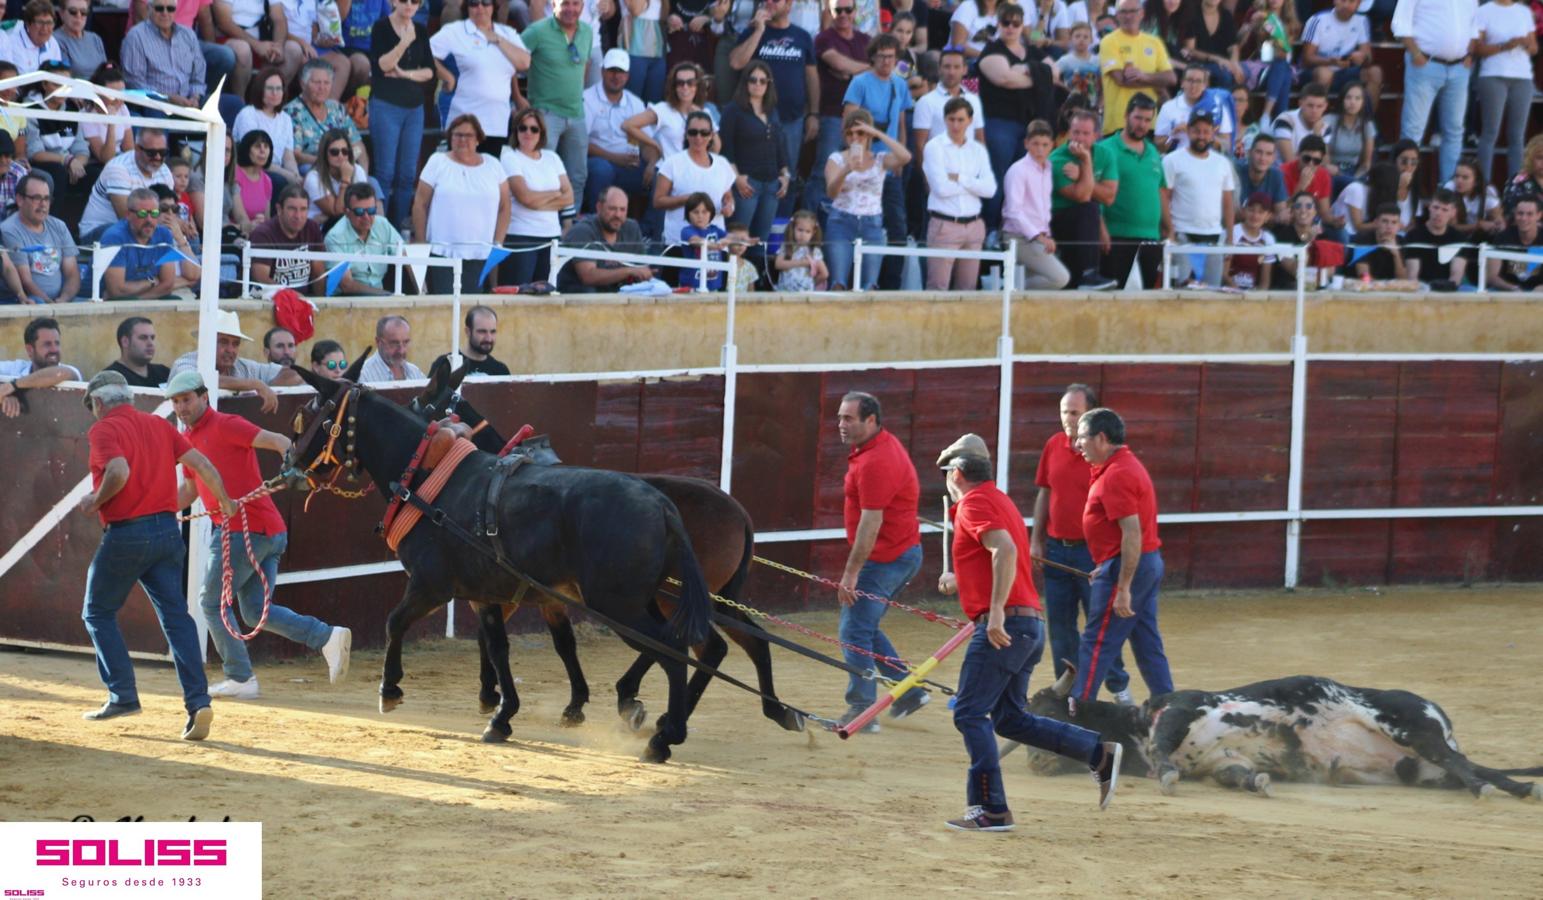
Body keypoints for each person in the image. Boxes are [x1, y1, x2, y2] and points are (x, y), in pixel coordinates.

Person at [936, 440, 1121, 831]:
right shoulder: (998, 500)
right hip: (1028, 624)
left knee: (970, 712)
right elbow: (999, 555)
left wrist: (997, 613)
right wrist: (962, 578)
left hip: (1004, 627)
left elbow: (1003, 549)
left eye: (946, 476)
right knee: (1009, 718)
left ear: (956, 474)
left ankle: (992, 809)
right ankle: (1096, 752)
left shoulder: (972, 504)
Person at [165, 370, 351, 701]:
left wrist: (293, 465)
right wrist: (159, 507)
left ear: (204, 397)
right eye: (176, 402)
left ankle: (239, 677)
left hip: (243, 531)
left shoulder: (225, 424)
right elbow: (192, 488)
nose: (181, 407)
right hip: (266, 530)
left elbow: (278, 440)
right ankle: (327, 637)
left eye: (187, 400)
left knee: (210, 603)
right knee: (253, 612)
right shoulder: (188, 439)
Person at [77, 369, 230, 741]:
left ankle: (123, 695)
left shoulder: (103, 430)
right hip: (167, 531)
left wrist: (94, 501)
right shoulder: (160, 426)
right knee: (177, 618)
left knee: (96, 611)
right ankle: (198, 702)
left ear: (99, 403)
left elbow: (119, 469)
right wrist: (225, 501)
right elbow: (203, 466)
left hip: (128, 533)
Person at [1028, 385, 1131, 700]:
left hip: (1093, 553)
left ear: (1090, 414)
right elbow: (1045, 492)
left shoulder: (1101, 453)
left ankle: (1119, 690)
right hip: (1057, 550)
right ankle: (1067, 692)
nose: (1067, 419)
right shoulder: (1053, 445)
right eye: (1063, 412)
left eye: (1073, 412)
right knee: (1061, 629)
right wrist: (1036, 539)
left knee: (1100, 628)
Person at [833, 390, 927, 731]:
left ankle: (862, 710)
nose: (841, 425)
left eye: (849, 418)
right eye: (840, 417)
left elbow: (871, 523)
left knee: (853, 628)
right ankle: (909, 692)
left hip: (887, 558)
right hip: (897, 552)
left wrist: (851, 573)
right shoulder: (873, 449)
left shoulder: (876, 461)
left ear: (871, 420)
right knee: (864, 625)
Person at [1072, 406, 1172, 703]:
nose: (1078, 445)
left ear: (1101, 438)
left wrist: (1123, 585)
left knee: (1097, 641)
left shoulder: (1117, 474)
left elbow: (1132, 533)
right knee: (1145, 640)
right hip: (1135, 563)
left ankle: (1079, 709)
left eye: (1082, 438)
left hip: (1128, 566)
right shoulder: (1120, 467)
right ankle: (1166, 706)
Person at [413, 115, 511, 295]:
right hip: (443, 253)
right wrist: (421, 243)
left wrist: (498, 243)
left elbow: (505, 206)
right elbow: (420, 203)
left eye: (468, 135)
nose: (462, 140)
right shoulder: (437, 161)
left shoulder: (493, 165)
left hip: (480, 254)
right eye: (457, 135)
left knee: (474, 310)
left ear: (478, 139)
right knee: (444, 308)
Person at [843, 33, 913, 282]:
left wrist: (901, 156)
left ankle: (891, 283)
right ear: (872, 57)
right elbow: (849, 124)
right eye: (881, 56)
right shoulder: (860, 82)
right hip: (864, 163)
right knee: (857, 222)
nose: (886, 61)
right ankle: (853, 280)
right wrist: (855, 161)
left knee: (897, 225)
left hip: (889, 163)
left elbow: (901, 122)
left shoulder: (900, 84)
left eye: (891, 57)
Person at [728, 0, 818, 187]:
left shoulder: (802, 37)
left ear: (789, 5)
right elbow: (736, 63)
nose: (769, 3)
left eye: (776, 0)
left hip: (791, 119)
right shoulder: (751, 32)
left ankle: (784, 217)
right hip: (755, 120)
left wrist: (813, 114)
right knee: (754, 177)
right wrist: (759, 31)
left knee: (788, 176)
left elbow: (812, 78)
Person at [1392, 0, 1477, 185]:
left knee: (1454, 131)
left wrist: (1469, 55)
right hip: (1425, 64)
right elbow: (1399, 23)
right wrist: (1415, 54)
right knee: (1413, 130)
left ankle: (1449, 190)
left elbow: (1474, 26)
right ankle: (1405, 188)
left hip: (1459, 67)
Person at [823, 109, 907, 291]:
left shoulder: (880, 159)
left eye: (860, 133)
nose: (855, 138)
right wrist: (847, 169)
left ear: (868, 135)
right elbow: (831, 192)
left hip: (872, 224)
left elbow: (905, 157)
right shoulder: (836, 159)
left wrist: (877, 133)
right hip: (841, 222)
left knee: (870, 285)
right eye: (850, 133)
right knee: (838, 283)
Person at [522, 0, 592, 217]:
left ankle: (568, 229)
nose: (571, 9)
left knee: (577, 176)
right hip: (545, 114)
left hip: (577, 114)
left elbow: (584, 66)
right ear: (553, 4)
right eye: (565, 3)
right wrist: (519, 100)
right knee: (541, 174)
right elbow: (509, 63)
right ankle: (543, 224)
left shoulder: (587, 31)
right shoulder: (536, 31)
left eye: (576, 3)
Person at [432, 0, 529, 156]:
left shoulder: (507, 33)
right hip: (463, 121)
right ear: (466, 7)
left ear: (494, 7)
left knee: (489, 177)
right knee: (461, 174)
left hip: (497, 122)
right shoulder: (454, 31)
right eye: (474, 3)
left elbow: (524, 62)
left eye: (486, 3)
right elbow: (426, 54)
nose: (480, 7)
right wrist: (446, 76)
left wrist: (497, 39)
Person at [922, 97, 994, 291]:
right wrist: (973, 183)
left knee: (968, 290)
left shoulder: (977, 149)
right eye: (951, 119)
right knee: (937, 288)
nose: (955, 124)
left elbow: (990, 189)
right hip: (945, 224)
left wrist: (961, 178)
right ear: (945, 119)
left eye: (960, 120)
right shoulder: (934, 147)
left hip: (974, 225)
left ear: (970, 120)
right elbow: (941, 189)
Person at [805, 0, 871, 213]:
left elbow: (853, 69)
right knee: (823, 169)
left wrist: (853, 71)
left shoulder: (866, 40)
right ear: (830, 13)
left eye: (847, 9)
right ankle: (810, 222)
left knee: (859, 170)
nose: (843, 14)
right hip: (832, 114)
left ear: (855, 12)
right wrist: (868, 69)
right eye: (837, 10)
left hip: (863, 119)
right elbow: (841, 65)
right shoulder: (824, 38)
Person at [170, 309, 301, 412]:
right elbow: (200, 379)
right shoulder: (186, 362)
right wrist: (256, 385)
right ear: (206, 342)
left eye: (235, 344)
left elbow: (292, 374)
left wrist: (263, 393)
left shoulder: (242, 366)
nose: (230, 350)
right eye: (223, 342)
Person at [1098, 94, 1167, 289]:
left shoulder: (1153, 151)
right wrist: (1101, 229)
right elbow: (1093, 194)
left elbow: (1160, 190)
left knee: (1146, 300)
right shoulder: (1105, 149)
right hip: (1116, 236)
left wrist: (1168, 228)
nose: (1142, 125)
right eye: (1138, 118)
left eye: (1147, 120)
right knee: (1110, 297)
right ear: (1126, 115)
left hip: (1151, 238)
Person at [977, 5, 1037, 230]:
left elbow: (1055, 72)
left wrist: (1024, 71)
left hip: (1028, 126)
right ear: (998, 24)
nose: (1011, 27)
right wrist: (1037, 76)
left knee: (1023, 185)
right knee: (998, 181)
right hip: (999, 124)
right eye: (1005, 23)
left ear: (1023, 26)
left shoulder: (1032, 51)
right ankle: (990, 231)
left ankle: (1015, 235)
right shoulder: (992, 49)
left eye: (1016, 23)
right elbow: (1004, 78)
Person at [720, 60, 791, 246]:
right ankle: (733, 276)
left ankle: (757, 276)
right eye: (753, 80)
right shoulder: (733, 110)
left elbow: (780, 147)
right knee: (738, 241)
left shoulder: (773, 111)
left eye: (763, 80)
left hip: (772, 185)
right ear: (745, 82)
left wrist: (785, 175)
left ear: (769, 84)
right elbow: (726, 149)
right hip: (746, 184)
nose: (758, 84)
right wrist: (736, 178)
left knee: (761, 241)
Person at [501, 107, 573, 287]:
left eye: (534, 129)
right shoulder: (510, 157)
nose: (528, 133)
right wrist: (556, 195)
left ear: (541, 133)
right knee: (519, 295)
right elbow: (525, 198)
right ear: (515, 130)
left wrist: (537, 200)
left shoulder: (552, 157)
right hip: (521, 236)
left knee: (548, 297)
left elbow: (569, 197)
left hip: (551, 237)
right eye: (522, 128)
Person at [1162, 110, 1235, 287]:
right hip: (1182, 236)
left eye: (1206, 131)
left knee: (1213, 294)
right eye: (1196, 131)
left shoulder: (1223, 163)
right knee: (1181, 292)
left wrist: (1230, 238)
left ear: (1213, 133)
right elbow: (1164, 197)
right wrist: (1169, 230)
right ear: (1188, 131)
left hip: (1214, 237)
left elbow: (1227, 202)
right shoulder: (1172, 160)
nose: (1201, 136)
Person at [1048, 108, 1117, 290]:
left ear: (1096, 135)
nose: (1079, 138)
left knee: (1096, 221)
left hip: (1086, 221)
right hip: (1057, 220)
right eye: (1075, 132)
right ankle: (1089, 275)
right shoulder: (1057, 158)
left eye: (1085, 133)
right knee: (1088, 210)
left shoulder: (1105, 154)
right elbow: (1082, 196)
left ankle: (1093, 278)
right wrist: (1086, 161)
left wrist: (1081, 175)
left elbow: (1109, 197)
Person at [1472, 0, 1535, 184]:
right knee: (1490, 132)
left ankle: (1517, 185)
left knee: (1517, 135)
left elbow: (1534, 48)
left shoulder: (1524, 12)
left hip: (1522, 76)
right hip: (1493, 74)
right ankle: (1483, 185)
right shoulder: (1484, 11)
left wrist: (1524, 43)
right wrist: (1504, 46)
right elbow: (1477, 48)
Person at [1001, 119, 1069, 290]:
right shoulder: (1018, 170)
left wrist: (1045, 236)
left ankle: (1014, 291)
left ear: (1052, 145)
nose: (1040, 149)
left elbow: (1043, 209)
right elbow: (1012, 211)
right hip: (1018, 238)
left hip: (1039, 237)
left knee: (1047, 282)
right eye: (1035, 144)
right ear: (1026, 144)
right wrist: (1039, 237)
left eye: (1045, 145)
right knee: (1060, 278)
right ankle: (1008, 290)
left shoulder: (1048, 168)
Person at [654, 110, 738, 244]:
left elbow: (727, 195)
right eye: (693, 132)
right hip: (680, 242)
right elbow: (658, 201)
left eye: (704, 133)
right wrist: (686, 199)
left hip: (714, 243)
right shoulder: (672, 163)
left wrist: (729, 206)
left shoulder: (722, 164)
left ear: (711, 135)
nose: (698, 137)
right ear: (686, 134)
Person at [99, 188, 198, 300]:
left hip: (133, 298)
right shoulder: (115, 237)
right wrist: (153, 281)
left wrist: (138, 299)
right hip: (94, 301)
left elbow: (167, 285)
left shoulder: (163, 234)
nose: (149, 220)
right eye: (142, 213)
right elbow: (117, 290)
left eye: (154, 213)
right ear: (128, 214)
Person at [79, 127, 173, 243]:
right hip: (99, 231)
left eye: (163, 152)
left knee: (183, 234)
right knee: (128, 231)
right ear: (137, 149)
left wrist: (178, 224)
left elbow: (167, 210)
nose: (158, 157)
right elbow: (127, 217)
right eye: (152, 153)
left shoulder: (164, 171)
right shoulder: (118, 168)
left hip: (145, 227)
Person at [584, 50, 648, 214]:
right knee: (602, 170)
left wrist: (652, 163)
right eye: (612, 70)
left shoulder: (636, 103)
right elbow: (581, 143)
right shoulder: (587, 98)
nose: (616, 76)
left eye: (621, 72)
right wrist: (615, 158)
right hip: (597, 161)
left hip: (628, 163)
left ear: (627, 76)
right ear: (602, 71)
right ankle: (594, 224)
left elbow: (647, 140)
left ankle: (649, 232)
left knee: (659, 175)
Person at [1, 172, 80, 304]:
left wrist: (63, 300)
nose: (43, 204)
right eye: (37, 198)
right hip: (32, 301)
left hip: (60, 300)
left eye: (47, 199)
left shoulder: (59, 226)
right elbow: (25, 281)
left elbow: (72, 273)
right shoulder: (9, 229)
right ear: (20, 200)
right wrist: (50, 304)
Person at [557, 186, 654, 293]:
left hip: (617, 294)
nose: (618, 215)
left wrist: (644, 274)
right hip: (579, 297)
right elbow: (588, 276)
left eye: (622, 209)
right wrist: (629, 271)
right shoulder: (583, 231)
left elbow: (642, 267)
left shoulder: (632, 227)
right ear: (599, 207)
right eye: (612, 209)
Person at [1098, 0, 1174, 136]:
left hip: (1149, 123)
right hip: (1119, 123)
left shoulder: (1154, 42)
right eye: (1123, 12)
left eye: (1133, 11)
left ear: (1142, 14)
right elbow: (1121, 80)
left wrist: (1144, 76)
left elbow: (1171, 78)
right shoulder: (1109, 41)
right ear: (1117, 15)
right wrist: (1156, 80)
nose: (1128, 16)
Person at [284, 59, 367, 172]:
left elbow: (358, 147)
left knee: (372, 182)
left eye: (326, 83)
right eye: (317, 82)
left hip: (342, 167)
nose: (322, 88)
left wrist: (363, 178)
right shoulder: (292, 112)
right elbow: (297, 155)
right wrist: (329, 163)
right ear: (303, 84)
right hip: (313, 167)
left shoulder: (337, 109)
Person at [121, 0, 208, 108]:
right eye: (159, 8)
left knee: (228, 103)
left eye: (170, 9)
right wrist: (168, 98)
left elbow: (198, 77)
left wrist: (195, 97)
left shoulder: (188, 35)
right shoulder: (136, 37)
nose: (165, 13)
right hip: (156, 105)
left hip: (189, 102)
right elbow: (135, 84)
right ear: (149, 9)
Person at [324, 183, 404, 294]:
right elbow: (347, 285)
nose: (366, 217)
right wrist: (385, 295)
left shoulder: (382, 224)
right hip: (346, 300)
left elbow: (405, 254)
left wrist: (422, 291)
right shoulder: (335, 237)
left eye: (371, 211)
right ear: (347, 212)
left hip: (380, 297)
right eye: (359, 212)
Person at [1299, 0, 1381, 104]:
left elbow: (1368, 57)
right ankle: (1319, 117)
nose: (1346, 5)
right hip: (1316, 71)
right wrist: (1331, 62)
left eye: (1351, 1)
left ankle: (1366, 118)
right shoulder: (1318, 20)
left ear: (1358, 4)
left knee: (1375, 72)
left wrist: (1362, 57)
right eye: (1342, 1)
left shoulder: (1362, 21)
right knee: (1325, 74)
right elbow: (1306, 59)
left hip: (1345, 71)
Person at [911, 47, 984, 164]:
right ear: (939, 69)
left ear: (964, 70)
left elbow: (979, 139)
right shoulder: (926, 102)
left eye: (956, 67)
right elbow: (920, 145)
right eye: (947, 66)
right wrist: (927, 178)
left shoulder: (974, 100)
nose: (951, 72)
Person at [234, 68, 302, 190]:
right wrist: (286, 175)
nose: (275, 93)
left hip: (278, 170)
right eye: (270, 89)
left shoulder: (285, 118)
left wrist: (295, 175)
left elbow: (288, 156)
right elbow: (255, 157)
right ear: (260, 90)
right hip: (254, 168)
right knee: (279, 181)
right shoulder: (248, 114)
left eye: (279, 89)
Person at [250, 183, 324, 290]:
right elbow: (261, 278)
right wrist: (294, 298)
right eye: (292, 209)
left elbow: (318, 273)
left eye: (303, 209)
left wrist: (320, 304)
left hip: (304, 300)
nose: (298, 216)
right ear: (279, 209)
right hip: (269, 302)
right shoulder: (263, 234)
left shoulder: (312, 228)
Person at [1154, 65, 1232, 154]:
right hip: (1178, 161)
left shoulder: (1217, 106)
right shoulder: (1168, 107)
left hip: (1208, 162)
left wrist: (1207, 135)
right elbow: (1158, 147)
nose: (1193, 85)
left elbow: (1227, 146)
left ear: (1205, 85)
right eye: (1189, 80)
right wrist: (1173, 133)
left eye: (1198, 81)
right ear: (1182, 83)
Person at [304, 128, 370, 225]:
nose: (340, 156)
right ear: (324, 153)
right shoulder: (313, 177)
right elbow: (337, 213)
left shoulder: (357, 170)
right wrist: (346, 180)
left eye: (344, 151)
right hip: (321, 229)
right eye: (334, 152)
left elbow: (363, 206)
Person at [1403, 189, 1466, 287]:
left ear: (1453, 213)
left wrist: (1446, 289)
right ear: (1429, 207)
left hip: (1447, 289)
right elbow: (1412, 275)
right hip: (1421, 289)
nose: (1438, 213)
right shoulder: (1413, 236)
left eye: (1445, 210)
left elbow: (1456, 274)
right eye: (1436, 207)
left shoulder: (1459, 238)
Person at [1322, 80, 1374, 193]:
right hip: (1333, 171)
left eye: (1357, 98)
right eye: (1348, 98)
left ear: (1363, 102)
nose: (1352, 102)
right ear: (1342, 100)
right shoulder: (1328, 121)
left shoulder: (1367, 125)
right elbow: (1325, 159)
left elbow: (1366, 164)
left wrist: (1355, 179)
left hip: (1355, 172)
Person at [1485, 195, 1543, 292]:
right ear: (1515, 214)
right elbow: (1491, 276)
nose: (1524, 218)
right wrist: (1513, 288)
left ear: (1539, 215)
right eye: (1520, 213)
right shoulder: (1503, 237)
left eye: (1529, 214)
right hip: (1507, 290)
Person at [431, 305, 511, 375]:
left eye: (493, 332)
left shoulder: (501, 371)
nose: (488, 338)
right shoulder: (445, 365)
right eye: (482, 332)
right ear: (468, 332)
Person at [1225, 191, 1277, 290]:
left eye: (1261, 212)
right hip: (1229, 292)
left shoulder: (1268, 240)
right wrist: (1240, 293)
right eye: (1251, 210)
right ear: (1244, 211)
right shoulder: (1233, 233)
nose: (1255, 215)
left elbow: (1265, 281)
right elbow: (1223, 274)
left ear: (1268, 216)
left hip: (1253, 295)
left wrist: (1257, 297)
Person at [1270, 81, 1328, 164]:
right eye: (1310, 105)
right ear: (1300, 103)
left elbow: (1324, 163)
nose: (1314, 111)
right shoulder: (1285, 120)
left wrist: (1318, 134)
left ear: (1325, 106)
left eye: (1319, 106)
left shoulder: (1325, 126)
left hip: (1309, 172)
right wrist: (1316, 137)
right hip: (1281, 172)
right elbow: (1289, 161)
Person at [0, 0, 65, 74]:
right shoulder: (12, 43)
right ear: (28, 23)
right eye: (40, 23)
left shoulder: (53, 43)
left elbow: (57, 74)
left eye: (49, 23)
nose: (45, 28)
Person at [105, 316, 171, 388]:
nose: (150, 343)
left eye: (152, 338)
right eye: (143, 338)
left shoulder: (164, 373)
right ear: (125, 342)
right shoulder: (110, 379)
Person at [1234, 134, 1287, 223]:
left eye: (1268, 154)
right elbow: (1234, 213)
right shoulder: (1236, 171)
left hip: (1264, 231)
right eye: (1259, 152)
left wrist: (1252, 216)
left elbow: (1282, 215)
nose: (1263, 158)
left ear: (1274, 158)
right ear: (1249, 153)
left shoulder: (1276, 175)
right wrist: (1266, 216)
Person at [774, 208, 827, 291]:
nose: (803, 234)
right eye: (800, 230)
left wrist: (811, 284)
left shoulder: (814, 251)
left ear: (813, 232)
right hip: (784, 293)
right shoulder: (787, 246)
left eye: (807, 231)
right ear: (793, 228)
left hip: (805, 294)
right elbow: (778, 264)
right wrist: (801, 263)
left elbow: (824, 274)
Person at [1350, 203, 1407, 282]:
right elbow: (1363, 275)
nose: (1389, 226)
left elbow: (1403, 280)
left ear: (1399, 226)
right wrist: (1379, 286)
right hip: (1367, 289)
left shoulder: (1402, 242)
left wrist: (1396, 254)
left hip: (1392, 289)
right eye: (1384, 221)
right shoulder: (1363, 240)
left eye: (1394, 222)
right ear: (1376, 223)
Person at [360, 315, 425, 381]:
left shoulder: (415, 372)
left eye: (405, 342)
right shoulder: (364, 375)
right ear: (378, 342)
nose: (401, 351)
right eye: (394, 343)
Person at [55, 0, 109, 78]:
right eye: (73, 11)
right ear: (61, 13)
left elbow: (106, 71)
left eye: (84, 12)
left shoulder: (95, 38)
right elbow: (63, 77)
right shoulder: (55, 40)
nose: (78, 16)